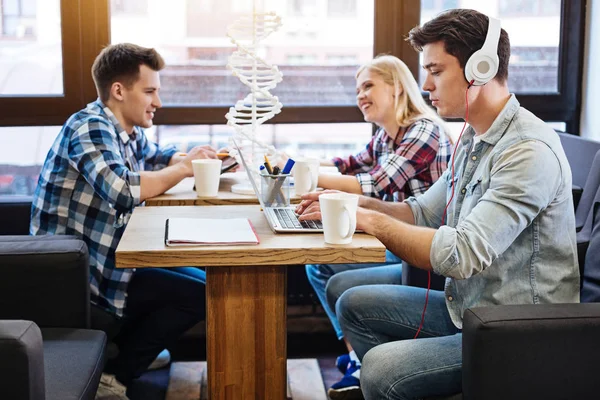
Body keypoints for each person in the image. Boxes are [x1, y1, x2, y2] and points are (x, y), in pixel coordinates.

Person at [297, 9, 579, 400]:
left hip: (513, 328)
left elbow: (461, 254)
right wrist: (352, 200)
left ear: (480, 69)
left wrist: (369, 221)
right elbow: (422, 212)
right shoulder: (475, 136)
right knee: (352, 303)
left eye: (436, 70)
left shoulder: (527, 151)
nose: (425, 83)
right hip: (468, 307)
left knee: (380, 371)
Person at [30, 43, 218, 399]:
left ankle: (130, 350)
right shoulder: (90, 126)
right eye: (150, 91)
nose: (157, 102)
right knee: (198, 294)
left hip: (114, 264)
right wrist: (184, 167)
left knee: (205, 282)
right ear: (119, 90)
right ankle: (115, 373)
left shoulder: (125, 132)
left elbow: (157, 155)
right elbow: (123, 189)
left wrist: (197, 156)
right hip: (82, 281)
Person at [304, 55, 451, 399]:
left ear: (398, 87)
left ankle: (362, 363)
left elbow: (376, 183)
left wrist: (299, 173)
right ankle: (358, 358)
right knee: (320, 266)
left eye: (368, 85)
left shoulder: (424, 130)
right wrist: (296, 163)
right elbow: (348, 164)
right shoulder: (386, 137)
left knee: (328, 269)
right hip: (402, 238)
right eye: (358, 89)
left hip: (419, 248)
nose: (360, 95)